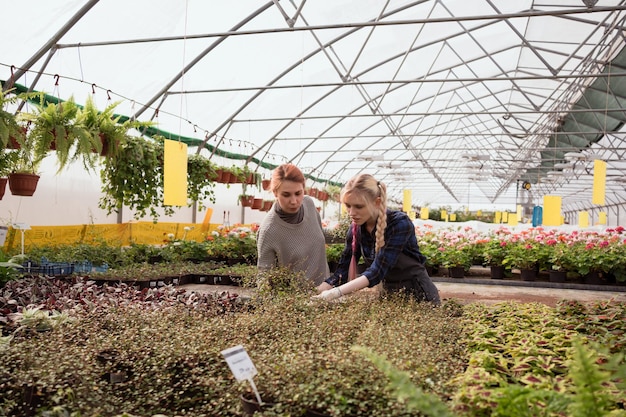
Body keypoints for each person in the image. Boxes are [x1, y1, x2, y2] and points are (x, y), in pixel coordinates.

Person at [313, 173, 440, 304]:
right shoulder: (356, 228)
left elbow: (377, 271)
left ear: (377, 202)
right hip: (389, 295)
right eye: (348, 206)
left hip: (420, 296)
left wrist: (335, 292)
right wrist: (317, 291)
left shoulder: (399, 223)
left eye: (359, 206)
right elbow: (342, 271)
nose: (351, 213)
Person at [256, 163, 330, 286]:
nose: (294, 201)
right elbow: (264, 278)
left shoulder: (309, 205)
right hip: (298, 302)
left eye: (298, 193)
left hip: (327, 293)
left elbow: (318, 234)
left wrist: (355, 230)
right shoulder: (269, 230)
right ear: (275, 193)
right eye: (286, 195)